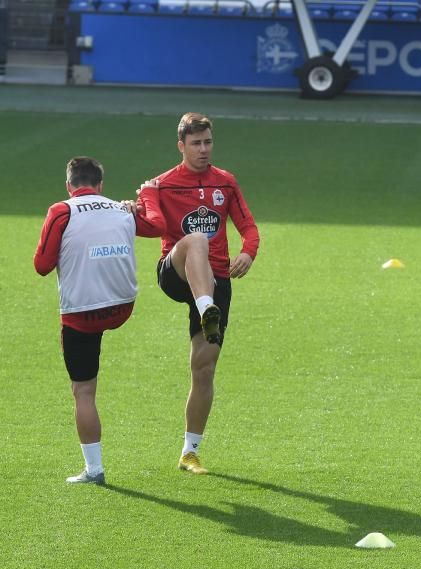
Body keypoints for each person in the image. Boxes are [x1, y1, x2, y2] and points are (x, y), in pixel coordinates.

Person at [137, 112, 261, 474]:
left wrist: (247, 253)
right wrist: (141, 200)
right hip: (175, 272)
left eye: (208, 142)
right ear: (181, 146)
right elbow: (151, 227)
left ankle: (189, 452)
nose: (204, 149)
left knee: (203, 368)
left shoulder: (226, 182)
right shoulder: (162, 185)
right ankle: (206, 307)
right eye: (196, 143)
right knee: (194, 240)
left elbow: (249, 227)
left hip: (217, 277)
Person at [34, 157, 163, 484]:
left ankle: (94, 470)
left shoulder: (61, 211)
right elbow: (156, 226)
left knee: (84, 391)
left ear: (69, 185)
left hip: (82, 315)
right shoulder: (121, 209)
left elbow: (42, 265)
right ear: (100, 185)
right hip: (122, 307)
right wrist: (146, 195)